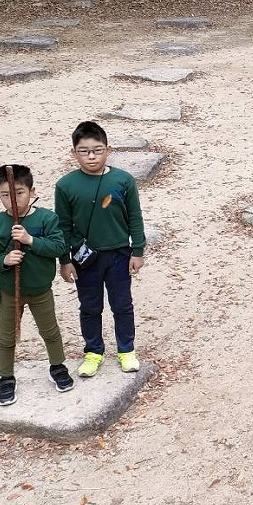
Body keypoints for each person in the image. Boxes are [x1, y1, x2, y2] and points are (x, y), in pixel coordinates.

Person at [55, 120, 146, 378]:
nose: (91, 156)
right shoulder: (65, 185)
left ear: (108, 149)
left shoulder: (124, 180)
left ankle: (126, 350)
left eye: (97, 149)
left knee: (122, 304)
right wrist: (65, 259)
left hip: (119, 254)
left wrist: (137, 250)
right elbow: (62, 225)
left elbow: (135, 218)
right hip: (86, 258)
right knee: (90, 306)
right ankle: (93, 351)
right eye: (84, 151)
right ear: (74, 153)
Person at [0, 164, 73, 406]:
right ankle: (6, 377)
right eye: (5, 194)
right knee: (7, 336)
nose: (13, 200)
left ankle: (57, 366)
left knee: (50, 330)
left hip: (41, 289)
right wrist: (4, 261)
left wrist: (30, 240)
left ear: (32, 191)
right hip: (10, 292)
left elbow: (59, 247)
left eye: (19, 193)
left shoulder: (47, 218)